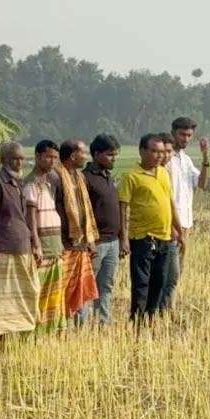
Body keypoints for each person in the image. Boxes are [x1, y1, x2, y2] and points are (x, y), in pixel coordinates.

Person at [119, 134, 183, 321]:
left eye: (162, 152)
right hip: (143, 238)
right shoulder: (131, 176)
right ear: (142, 151)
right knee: (141, 284)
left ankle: (150, 320)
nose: (159, 156)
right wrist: (124, 238)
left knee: (159, 282)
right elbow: (122, 208)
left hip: (164, 237)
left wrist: (179, 230)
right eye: (154, 151)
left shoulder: (163, 173)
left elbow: (170, 203)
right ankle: (137, 323)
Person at [0, 142, 40, 342]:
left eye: (22, 158)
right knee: (2, 301)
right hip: (5, 250)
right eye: (15, 159)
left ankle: (21, 341)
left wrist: (34, 244)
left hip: (23, 249)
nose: (19, 162)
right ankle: (0, 342)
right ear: (4, 160)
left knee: (28, 295)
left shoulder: (19, 184)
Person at [163, 117, 210, 308]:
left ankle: (168, 310)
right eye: (182, 134)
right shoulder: (165, 160)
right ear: (173, 133)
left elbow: (202, 184)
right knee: (169, 272)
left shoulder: (186, 160)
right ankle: (163, 311)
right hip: (169, 224)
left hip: (186, 223)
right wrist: (172, 225)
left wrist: (205, 158)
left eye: (189, 135)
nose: (186, 139)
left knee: (177, 271)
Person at [55, 139, 100, 324]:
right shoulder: (56, 177)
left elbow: (85, 210)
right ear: (73, 156)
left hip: (81, 244)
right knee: (62, 289)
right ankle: (60, 326)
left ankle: (75, 328)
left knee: (78, 291)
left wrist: (90, 240)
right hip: (64, 243)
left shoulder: (80, 178)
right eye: (83, 153)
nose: (86, 157)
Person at [81, 134, 123, 326]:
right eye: (109, 154)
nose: (113, 158)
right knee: (86, 286)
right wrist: (88, 240)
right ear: (97, 155)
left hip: (113, 241)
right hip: (95, 242)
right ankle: (81, 326)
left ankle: (102, 325)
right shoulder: (85, 178)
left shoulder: (109, 177)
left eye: (115, 155)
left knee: (106, 286)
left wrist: (122, 238)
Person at [25, 141, 66, 333]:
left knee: (55, 293)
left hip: (54, 244)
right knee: (40, 292)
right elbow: (30, 216)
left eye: (55, 158)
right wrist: (36, 243)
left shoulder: (49, 182)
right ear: (38, 156)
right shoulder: (31, 183)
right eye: (49, 157)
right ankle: (36, 331)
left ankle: (51, 330)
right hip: (43, 245)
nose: (52, 161)